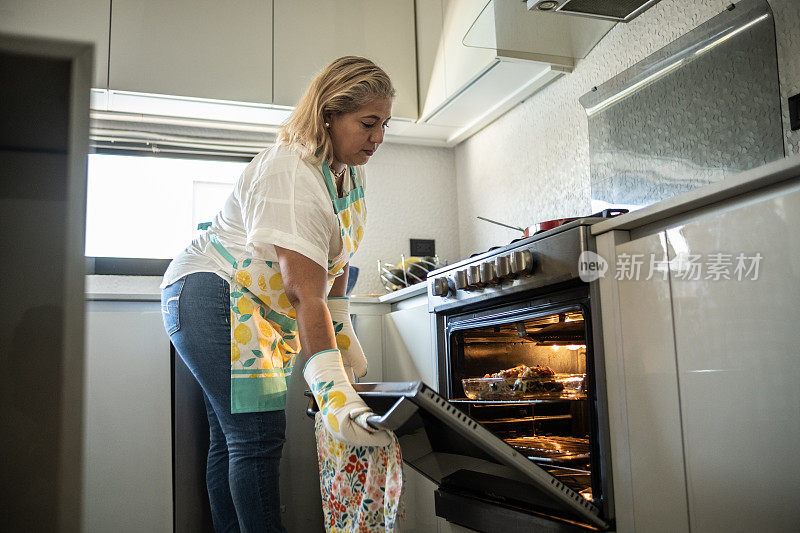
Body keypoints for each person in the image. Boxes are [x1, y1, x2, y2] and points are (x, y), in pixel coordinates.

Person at [160, 56, 394, 532]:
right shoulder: (291, 173)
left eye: (384, 124)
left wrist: (345, 347)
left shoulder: (347, 171)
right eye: (368, 124)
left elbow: (334, 268)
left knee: (233, 441)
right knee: (256, 436)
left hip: (251, 305)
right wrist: (332, 390)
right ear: (328, 113)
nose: (379, 138)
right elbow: (305, 294)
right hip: (210, 294)